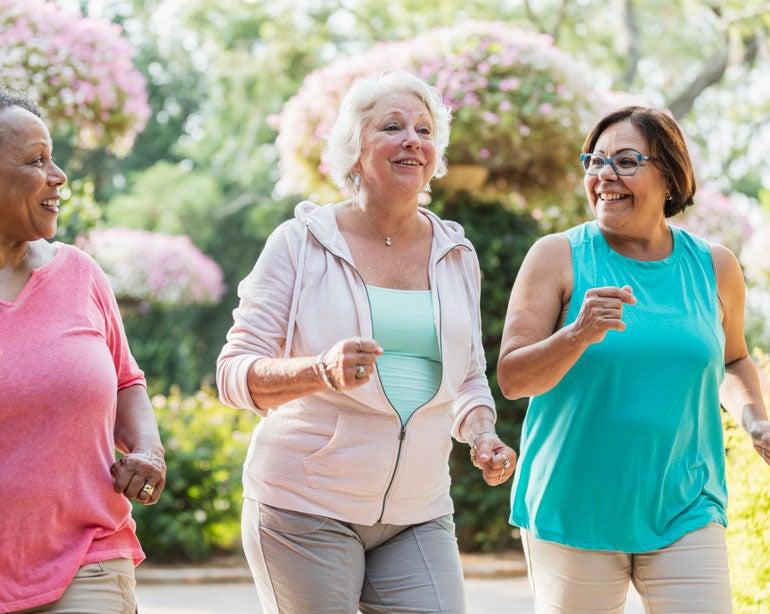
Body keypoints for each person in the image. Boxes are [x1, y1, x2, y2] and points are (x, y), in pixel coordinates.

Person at [217, 70, 517, 614]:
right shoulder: (300, 243)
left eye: (424, 130)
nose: (412, 140)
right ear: (354, 150)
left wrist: (481, 435)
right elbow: (234, 373)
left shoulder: (455, 252)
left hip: (417, 511)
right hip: (303, 506)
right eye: (392, 127)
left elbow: (468, 375)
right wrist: (319, 371)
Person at [498, 105, 770, 613]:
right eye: (595, 161)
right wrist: (577, 333)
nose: (604, 176)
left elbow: (732, 362)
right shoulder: (557, 255)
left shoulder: (715, 266)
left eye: (624, 161)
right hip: (574, 509)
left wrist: (755, 421)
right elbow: (513, 378)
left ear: (669, 175)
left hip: (686, 505)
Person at [0, 87, 166, 613]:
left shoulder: (80, 274)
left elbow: (126, 381)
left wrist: (148, 451)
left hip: (87, 556)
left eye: (53, 157)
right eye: (36, 161)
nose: (59, 176)